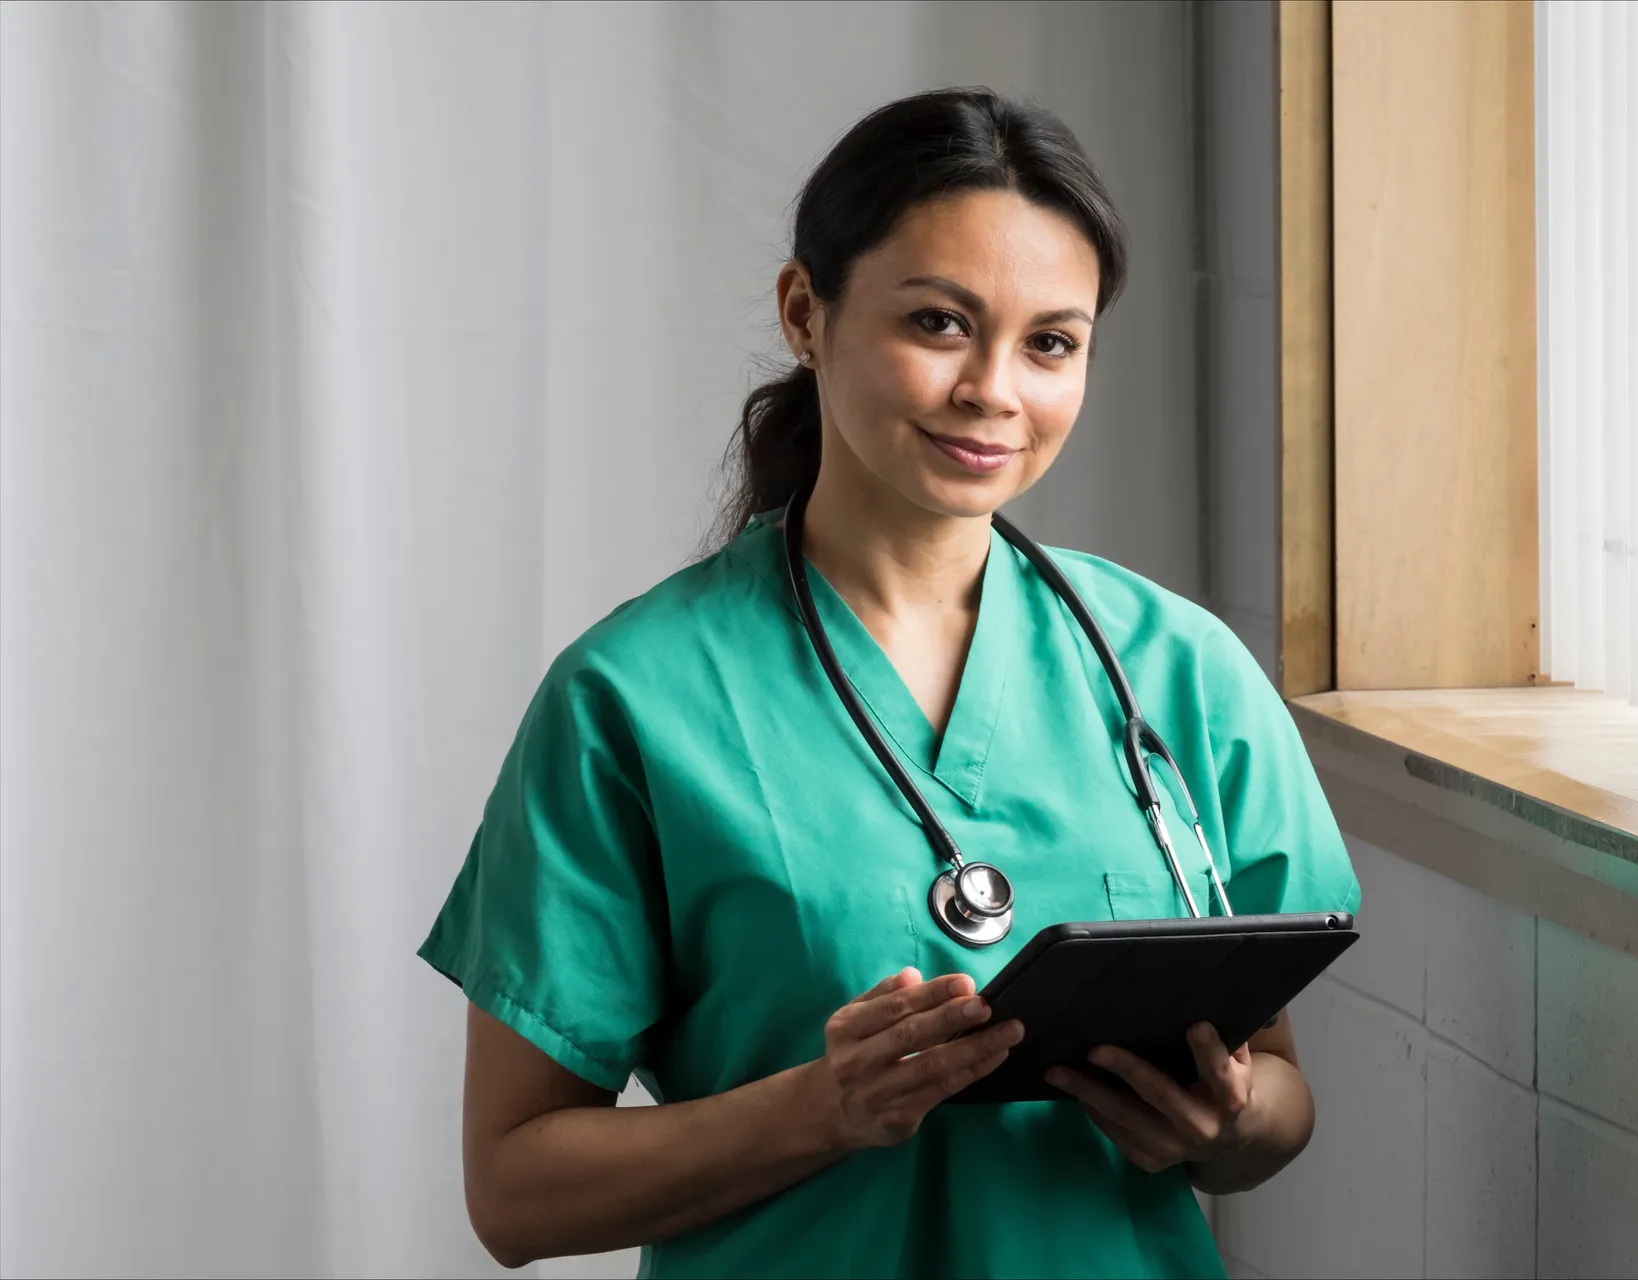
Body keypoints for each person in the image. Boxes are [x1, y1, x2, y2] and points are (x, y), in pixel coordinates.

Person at [419, 86, 1360, 1279]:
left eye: (1051, 343)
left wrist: (1226, 1123)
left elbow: (1276, 1094)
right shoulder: (633, 699)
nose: (995, 392)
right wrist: (824, 1106)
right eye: (939, 323)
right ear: (805, 311)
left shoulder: (1180, 671)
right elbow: (514, 1189)